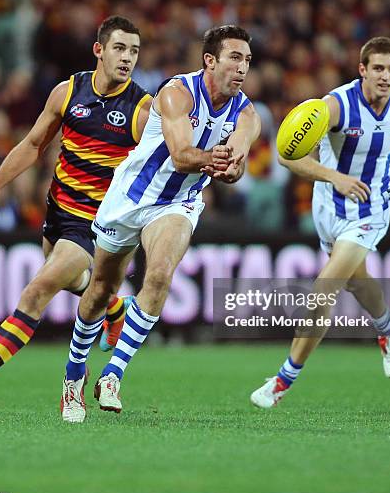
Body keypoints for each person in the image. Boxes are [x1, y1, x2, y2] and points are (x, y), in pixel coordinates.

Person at [0, 15, 151, 413]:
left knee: (37, 290)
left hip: (95, 225)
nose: (127, 58)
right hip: (58, 212)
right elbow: (34, 143)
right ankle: (114, 306)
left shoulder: (142, 109)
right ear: (99, 50)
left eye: (134, 51)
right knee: (78, 281)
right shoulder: (67, 91)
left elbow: (158, 165)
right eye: (120, 48)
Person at [60, 25, 261, 423]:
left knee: (160, 275)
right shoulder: (176, 93)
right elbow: (183, 155)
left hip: (178, 203)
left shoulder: (248, 115)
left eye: (247, 61)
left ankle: (113, 374)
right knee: (101, 290)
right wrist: (215, 161)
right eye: (234, 58)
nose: (242, 68)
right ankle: (73, 375)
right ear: (210, 60)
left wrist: (231, 169)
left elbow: (236, 166)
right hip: (130, 199)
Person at [251, 36, 390, 409]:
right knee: (356, 280)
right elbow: (288, 157)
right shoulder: (334, 108)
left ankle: (283, 381)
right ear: (363, 70)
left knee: (325, 288)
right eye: (379, 69)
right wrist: (333, 177)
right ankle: (389, 328)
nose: (387, 77)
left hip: (370, 210)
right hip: (329, 206)